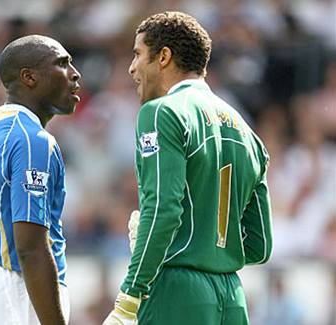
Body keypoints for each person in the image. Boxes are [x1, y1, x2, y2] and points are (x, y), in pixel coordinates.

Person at [103, 11, 273, 325]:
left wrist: (129, 298)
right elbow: (260, 246)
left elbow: (163, 209)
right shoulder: (249, 134)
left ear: (163, 56)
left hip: (176, 293)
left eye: (138, 54)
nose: (132, 67)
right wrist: (210, 248)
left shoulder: (160, 112)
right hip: (233, 296)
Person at [0, 35, 81, 325]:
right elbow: (30, 247)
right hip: (11, 289)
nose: (75, 74)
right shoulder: (32, 139)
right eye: (62, 64)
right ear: (29, 77)